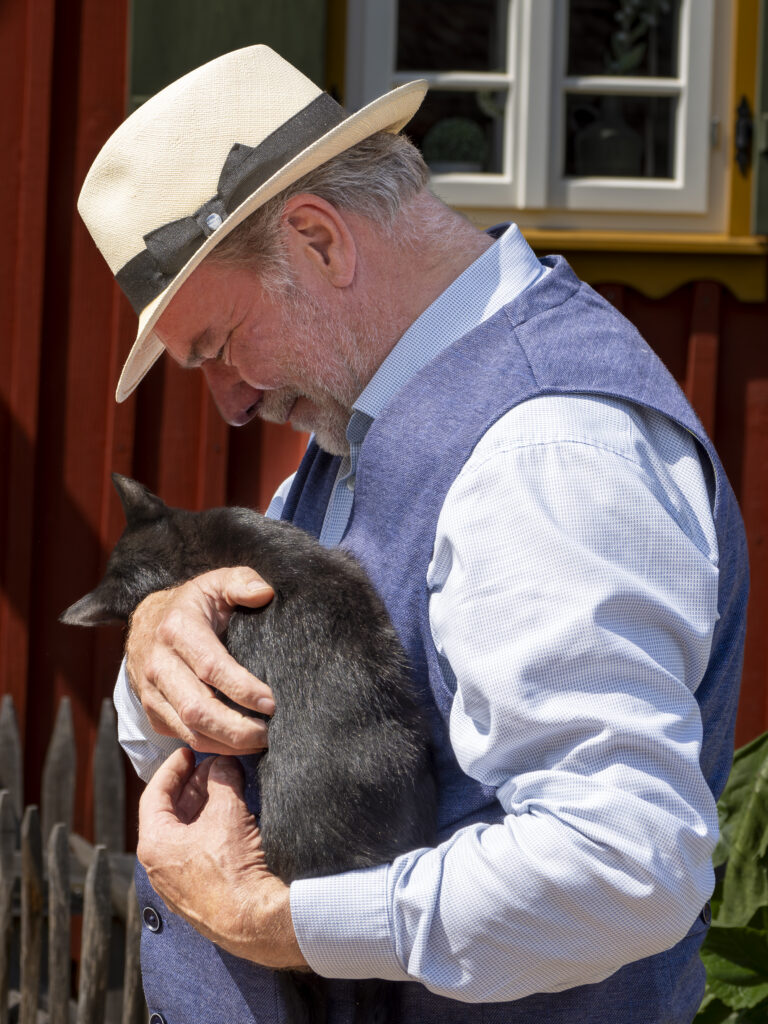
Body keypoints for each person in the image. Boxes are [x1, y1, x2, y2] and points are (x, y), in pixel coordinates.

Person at [77, 44, 748, 1024]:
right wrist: (158, 643)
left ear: (317, 241)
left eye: (217, 345)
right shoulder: (370, 421)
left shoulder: (541, 447)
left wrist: (273, 919)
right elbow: (238, 703)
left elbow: (621, 861)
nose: (227, 401)